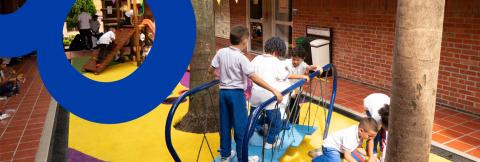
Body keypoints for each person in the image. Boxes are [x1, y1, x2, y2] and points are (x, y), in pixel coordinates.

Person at [209, 26, 283, 162]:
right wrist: (273, 90)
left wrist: (220, 77)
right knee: (240, 127)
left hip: (223, 93)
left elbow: (212, 70)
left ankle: (225, 155)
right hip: (236, 95)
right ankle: (243, 158)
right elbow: (254, 77)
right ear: (244, 42)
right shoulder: (241, 58)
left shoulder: (221, 52)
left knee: (225, 124)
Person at [250, 37, 309, 149]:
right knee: (276, 122)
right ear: (277, 51)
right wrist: (302, 76)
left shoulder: (257, 58)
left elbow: (249, 72)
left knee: (252, 117)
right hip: (269, 96)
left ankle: (247, 136)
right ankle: (270, 142)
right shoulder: (276, 62)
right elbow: (286, 76)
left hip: (255, 94)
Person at [312, 117, 379, 162]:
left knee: (361, 158)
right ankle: (319, 157)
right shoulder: (350, 136)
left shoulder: (360, 133)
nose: (371, 138)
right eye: (370, 136)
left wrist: (371, 156)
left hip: (342, 149)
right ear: (361, 130)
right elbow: (347, 156)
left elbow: (358, 148)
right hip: (330, 148)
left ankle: (333, 156)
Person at [284, 46, 317, 124]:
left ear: (303, 59)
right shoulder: (286, 63)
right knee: (284, 105)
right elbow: (287, 76)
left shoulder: (303, 64)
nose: (295, 62)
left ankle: (294, 124)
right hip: (286, 87)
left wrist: (315, 67)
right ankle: (284, 122)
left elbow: (309, 67)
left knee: (295, 107)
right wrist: (302, 76)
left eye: (297, 60)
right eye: (293, 59)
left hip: (296, 89)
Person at [363, 93, 390, 162]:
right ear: (382, 122)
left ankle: (382, 151)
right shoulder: (376, 118)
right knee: (375, 133)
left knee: (384, 135)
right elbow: (371, 138)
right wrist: (371, 156)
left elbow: (386, 138)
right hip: (369, 101)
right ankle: (372, 151)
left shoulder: (393, 117)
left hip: (383, 99)